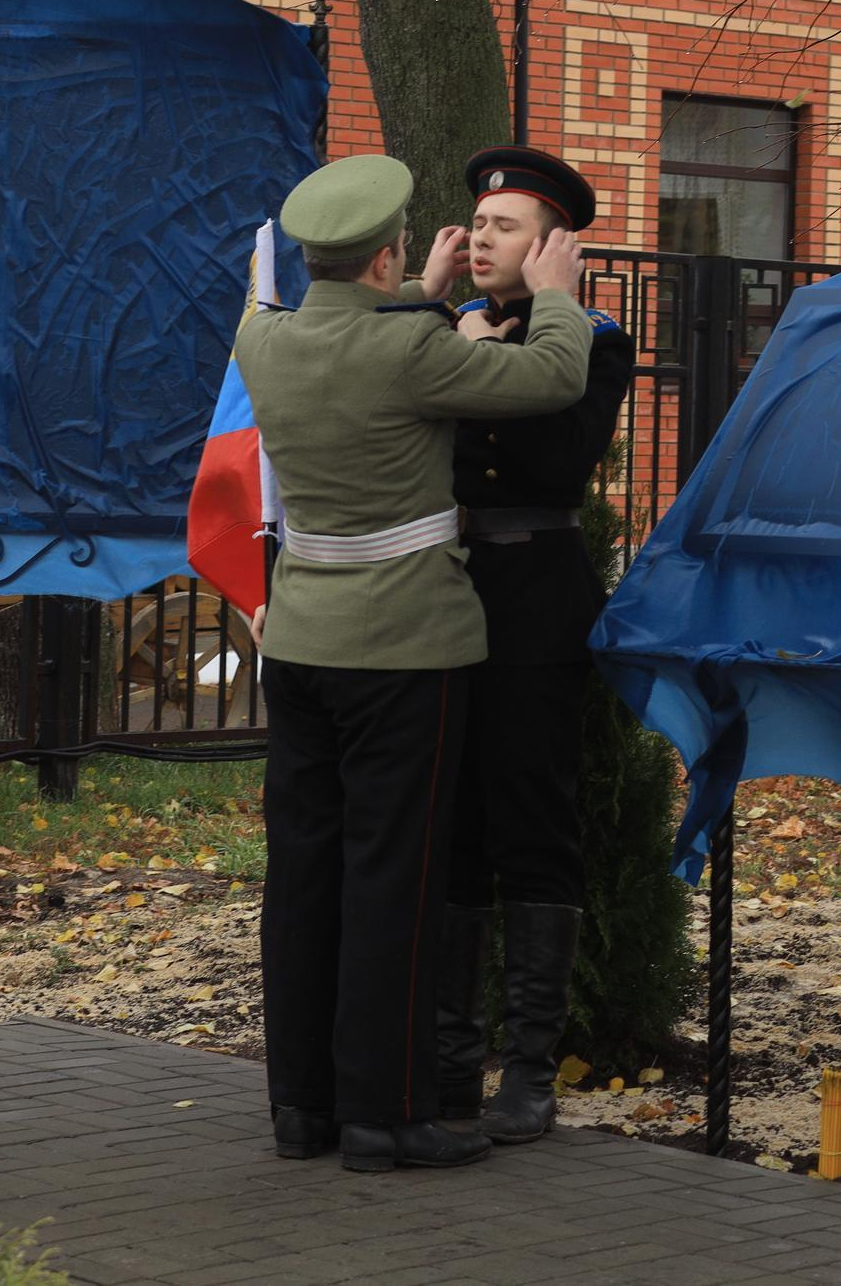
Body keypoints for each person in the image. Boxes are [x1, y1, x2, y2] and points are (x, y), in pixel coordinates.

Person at [236, 153, 591, 1174]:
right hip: (400, 649)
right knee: (393, 881)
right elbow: (551, 375)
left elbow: (358, 332)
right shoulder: (415, 350)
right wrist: (557, 299)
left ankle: (300, 1110)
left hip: (299, 641)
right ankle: (388, 1117)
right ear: (390, 249)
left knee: (303, 880)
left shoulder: (263, 337)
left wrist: (415, 299)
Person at [428, 147, 634, 1144]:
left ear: (554, 246)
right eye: (477, 224)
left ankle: (531, 1071)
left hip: (534, 603)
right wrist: (441, 320)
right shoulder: (438, 330)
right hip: (440, 595)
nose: (480, 242)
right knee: (452, 825)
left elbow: (553, 456)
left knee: (531, 823)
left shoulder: (596, 340)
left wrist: (478, 343)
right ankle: (452, 1058)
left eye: (504, 227)